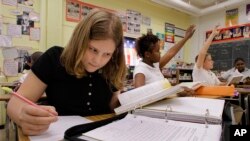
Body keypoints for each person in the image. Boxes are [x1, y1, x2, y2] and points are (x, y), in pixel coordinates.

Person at [7, 9, 127, 136]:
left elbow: (113, 107)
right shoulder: (54, 58)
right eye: (92, 49)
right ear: (80, 40)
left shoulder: (112, 66)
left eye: (107, 54)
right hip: (60, 135)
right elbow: (14, 104)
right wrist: (23, 116)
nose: (97, 61)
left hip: (105, 134)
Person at [133, 25, 196, 95]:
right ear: (147, 54)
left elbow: (170, 53)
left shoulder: (154, 65)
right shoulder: (140, 71)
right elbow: (139, 97)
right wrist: (176, 92)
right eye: (157, 51)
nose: (160, 53)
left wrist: (186, 37)